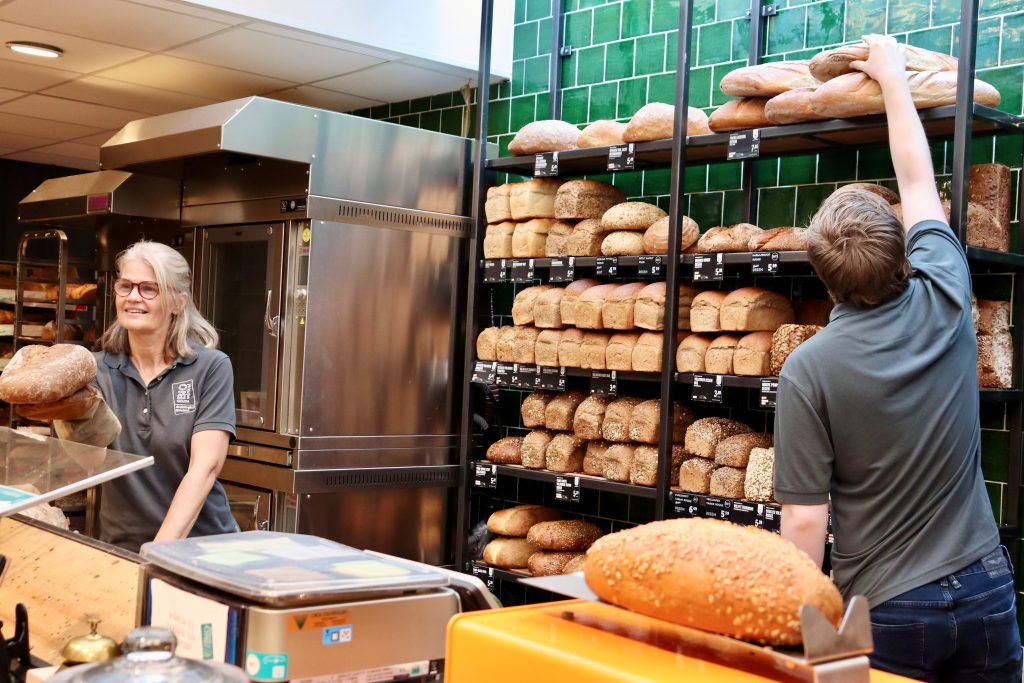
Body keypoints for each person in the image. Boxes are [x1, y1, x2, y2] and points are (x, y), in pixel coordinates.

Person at [773, 34, 1022, 680]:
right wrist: (890, 76)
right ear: (905, 251)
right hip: (987, 589)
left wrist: (798, 630)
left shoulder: (808, 369)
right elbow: (914, 176)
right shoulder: (945, 292)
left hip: (888, 610)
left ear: (822, 280)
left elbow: (804, 521)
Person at [88, 241, 238, 552]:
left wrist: (158, 552)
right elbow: (90, 461)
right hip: (122, 547)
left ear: (178, 301)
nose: (133, 297)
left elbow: (205, 468)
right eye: (125, 286)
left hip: (201, 550)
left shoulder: (210, 367)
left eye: (148, 289)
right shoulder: (97, 370)